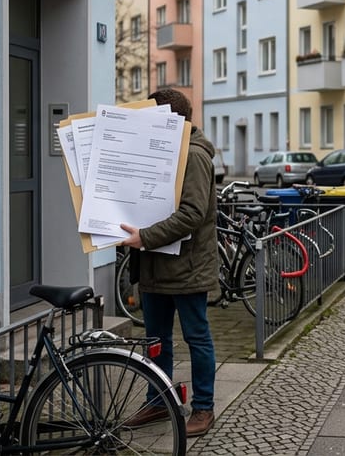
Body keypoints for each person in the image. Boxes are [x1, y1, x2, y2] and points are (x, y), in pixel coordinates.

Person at [118, 89, 219, 437]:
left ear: (170, 120)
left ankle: (204, 408)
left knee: (196, 337)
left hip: (187, 267)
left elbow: (192, 214)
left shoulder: (193, 155)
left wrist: (144, 237)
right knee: (156, 339)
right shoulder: (163, 150)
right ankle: (158, 401)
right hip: (155, 265)